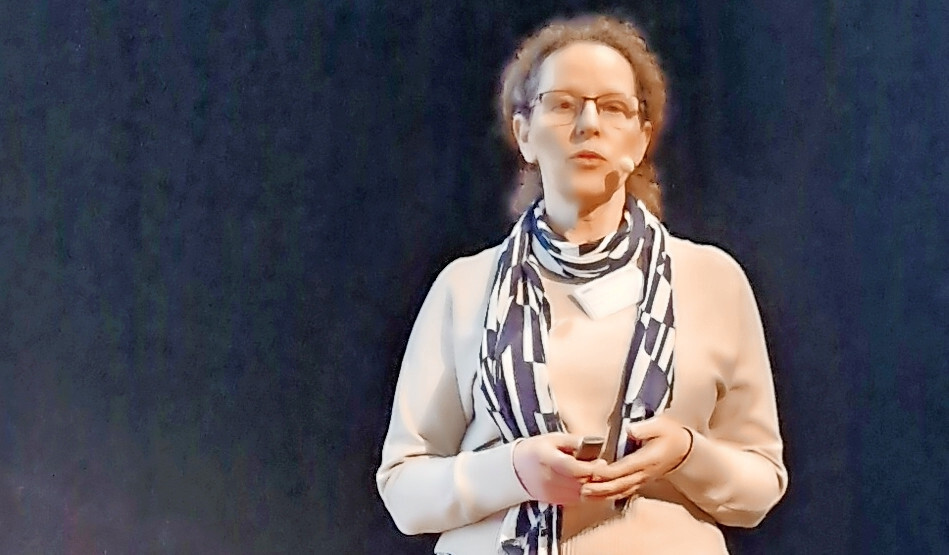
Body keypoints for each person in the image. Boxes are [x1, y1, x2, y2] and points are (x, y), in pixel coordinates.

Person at [376, 13, 787, 555]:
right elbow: (403, 488)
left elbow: (761, 484)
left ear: (641, 138)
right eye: (563, 104)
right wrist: (512, 471)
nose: (589, 124)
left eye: (613, 107)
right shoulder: (465, 288)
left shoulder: (712, 281)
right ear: (524, 133)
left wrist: (688, 454)